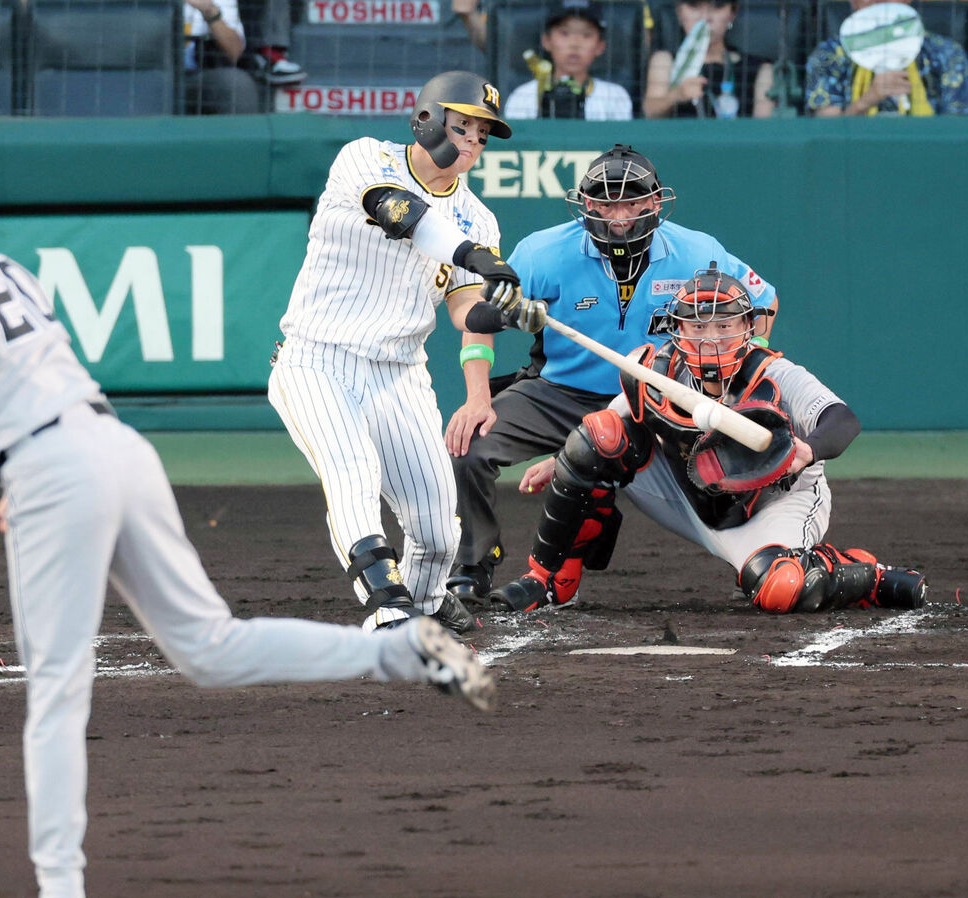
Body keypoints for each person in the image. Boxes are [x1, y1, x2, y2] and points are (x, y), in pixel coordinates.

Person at [0, 139, 496, 898]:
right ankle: (396, 649)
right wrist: (33, 470)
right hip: (110, 449)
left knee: (56, 688)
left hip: (61, 466)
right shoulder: (0, 262)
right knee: (210, 648)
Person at [444, 143, 778, 606]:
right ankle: (474, 563)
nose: (617, 215)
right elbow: (481, 325)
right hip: (556, 392)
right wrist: (477, 398)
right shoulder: (542, 252)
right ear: (585, 204)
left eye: (629, 201)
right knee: (470, 445)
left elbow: (763, 302)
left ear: (655, 203)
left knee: (725, 474)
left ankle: (763, 563)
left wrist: (737, 376)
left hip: (654, 403)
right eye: (603, 202)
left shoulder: (697, 252)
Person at [487, 263, 927, 614]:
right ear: (676, 328)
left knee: (782, 588)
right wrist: (565, 460)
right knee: (596, 437)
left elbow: (842, 420)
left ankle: (863, 574)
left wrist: (805, 451)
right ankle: (546, 580)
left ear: (748, 327)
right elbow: (608, 424)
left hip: (770, 502)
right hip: (684, 491)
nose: (711, 339)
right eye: (698, 327)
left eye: (724, 326)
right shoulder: (656, 368)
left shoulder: (774, 373)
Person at [268, 70, 525, 635]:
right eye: (464, 128)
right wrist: (477, 257)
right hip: (318, 359)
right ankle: (387, 602)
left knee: (438, 529)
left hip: (400, 374)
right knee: (352, 473)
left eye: (483, 136)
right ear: (427, 120)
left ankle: (428, 599)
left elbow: (464, 312)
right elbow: (400, 214)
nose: (473, 144)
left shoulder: (479, 219)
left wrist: (498, 310)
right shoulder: (365, 159)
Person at [805, 0, 968, 116]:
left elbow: (957, 129)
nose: (879, 1)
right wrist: (867, 100)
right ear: (852, 1)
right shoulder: (827, 55)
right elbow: (826, 136)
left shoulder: (946, 52)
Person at [502, 0, 633, 120]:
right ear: (546, 41)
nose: (574, 43)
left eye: (586, 35)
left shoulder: (615, 97)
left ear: (600, 46)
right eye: (564, 33)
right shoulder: (523, 96)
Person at [643, 0, 773, 119]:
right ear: (679, 13)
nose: (705, 18)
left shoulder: (761, 69)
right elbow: (650, 111)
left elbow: (764, 130)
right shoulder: (665, 61)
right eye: (694, 6)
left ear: (732, 14)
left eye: (717, 6)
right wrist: (677, 95)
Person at [183, 0, 261, 113]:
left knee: (235, 84)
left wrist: (209, 12)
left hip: (196, 76)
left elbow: (235, 52)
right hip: (157, 72)